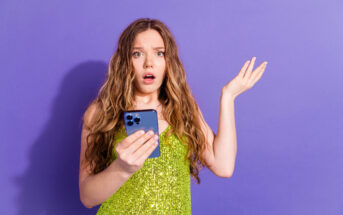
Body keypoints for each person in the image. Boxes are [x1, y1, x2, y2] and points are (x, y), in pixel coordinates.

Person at [78, 18, 268, 214]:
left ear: (169, 62)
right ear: (125, 61)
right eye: (137, 54)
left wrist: (228, 97)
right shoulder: (101, 113)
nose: (149, 63)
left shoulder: (183, 109)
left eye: (159, 53)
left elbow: (224, 166)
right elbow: (87, 197)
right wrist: (122, 168)